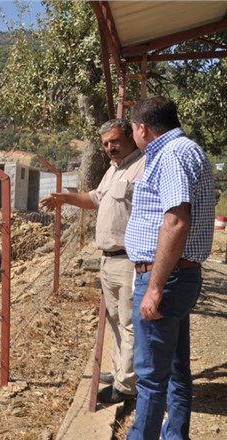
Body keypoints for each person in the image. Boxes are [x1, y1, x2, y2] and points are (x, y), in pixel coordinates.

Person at [124, 96, 215, 439]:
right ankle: (175, 435)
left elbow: (176, 221)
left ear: (142, 129)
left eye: (132, 130)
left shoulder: (171, 155)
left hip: (164, 276)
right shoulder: (186, 149)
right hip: (180, 275)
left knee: (150, 377)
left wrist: (155, 287)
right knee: (176, 369)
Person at [41, 118, 145, 403]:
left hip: (128, 259)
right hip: (108, 259)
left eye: (114, 141)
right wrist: (66, 199)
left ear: (130, 137)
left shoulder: (143, 167)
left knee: (129, 322)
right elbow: (96, 198)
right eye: (106, 144)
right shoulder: (113, 170)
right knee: (114, 320)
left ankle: (127, 387)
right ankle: (119, 370)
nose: (110, 147)